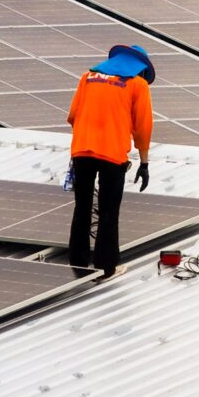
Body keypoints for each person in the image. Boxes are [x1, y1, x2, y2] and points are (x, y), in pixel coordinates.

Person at [66, 43, 154, 274]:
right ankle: (106, 267)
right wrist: (144, 163)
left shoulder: (87, 77)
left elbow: (73, 115)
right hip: (112, 154)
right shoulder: (138, 85)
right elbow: (143, 127)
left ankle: (77, 262)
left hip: (81, 150)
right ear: (140, 68)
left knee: (82, 208)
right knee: (108, 212)